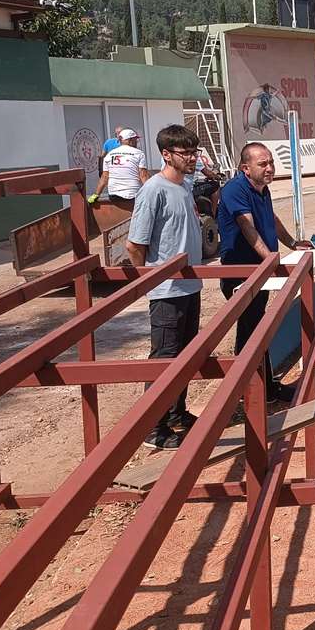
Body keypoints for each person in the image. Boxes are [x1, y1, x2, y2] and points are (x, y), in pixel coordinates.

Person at [126, 125, 204, 450]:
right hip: (167, 291)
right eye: (184, 152)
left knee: (185, 356)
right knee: (165, 357)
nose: (191, 158)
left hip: (190, 286)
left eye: (193, 151)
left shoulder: (185, 186)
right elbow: (134, 245)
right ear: (166, 154)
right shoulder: (152, 190)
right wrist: (151, 281)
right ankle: (151, 427)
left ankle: (176, 413)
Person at [217, 142, 311, 404]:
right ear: (245, 168)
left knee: (256, 331)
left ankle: (263, 387)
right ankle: (250, 393)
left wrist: (292, 243)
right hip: (242, 274)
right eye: (263, 164)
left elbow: (270, 219)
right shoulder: (235, 190)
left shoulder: (261, 189)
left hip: (259, 272)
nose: (270, 168)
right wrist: (270, 259)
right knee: (251, 334)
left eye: (271, 162)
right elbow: (247, 227)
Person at [90, 128, 149, 210]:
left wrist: (96, 194)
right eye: (136, 140)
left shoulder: (109, 154)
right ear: (130, 140)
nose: (137, 142)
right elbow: (143, 176)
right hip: (132, 196)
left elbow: (104, 177)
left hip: (114, 196)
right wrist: (152, 192)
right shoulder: (139, 153)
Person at [189, 146, 224, 216]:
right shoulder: (193, 157)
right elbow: (208, 174)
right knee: (215, 185)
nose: (194, 157)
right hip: (191, 190)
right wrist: (217, 176)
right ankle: (213, 215)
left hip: (189, 186)